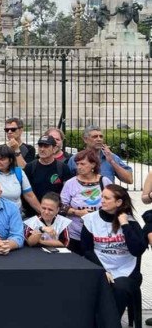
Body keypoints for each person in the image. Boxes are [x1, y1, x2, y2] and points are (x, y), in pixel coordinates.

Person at [82, 185, 147, 319]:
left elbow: (137, 250)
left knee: (119, 288)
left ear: (118, 202)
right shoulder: (90, 219)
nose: (102, 200)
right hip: (100, 266)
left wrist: (125, 225)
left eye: (107, 198)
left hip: (127, 270)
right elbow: (87, 250)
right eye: (102, 197)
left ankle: (111, 322)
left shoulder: (130, 221)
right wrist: (101, 270)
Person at [61, 149, 113, 254]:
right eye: (77, 164)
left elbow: (114, 204)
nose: (79, 167)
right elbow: (61, 207)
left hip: (100, 233)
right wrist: (77, 212)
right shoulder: (70, 183)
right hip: (75, 233)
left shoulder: (104, 181)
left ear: (93, 164)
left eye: (83, 164)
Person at [0, 145, 41, 216]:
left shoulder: (19, 173)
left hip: (15, 215)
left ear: (10, 160)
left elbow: (29, 196)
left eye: (2, 159)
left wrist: (43, 212)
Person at [67, 125, 133, 184]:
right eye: (95, 137)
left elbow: (129, 180)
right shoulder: (75, 159)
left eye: (101, 137)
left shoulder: (111, 157)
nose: (99, 139)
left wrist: (112, 162)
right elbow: (68, 183)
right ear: (85, 139)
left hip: (106, 193)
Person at [24, 135, 71, 210]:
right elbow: (27, 193)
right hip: (33, 212)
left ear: (54, 149)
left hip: (55, 212)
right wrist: (41, 210)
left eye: (46, 146)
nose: (42, 149)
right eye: (40, 146)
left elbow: (67, 192)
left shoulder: (63, 168)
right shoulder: (30, 167)